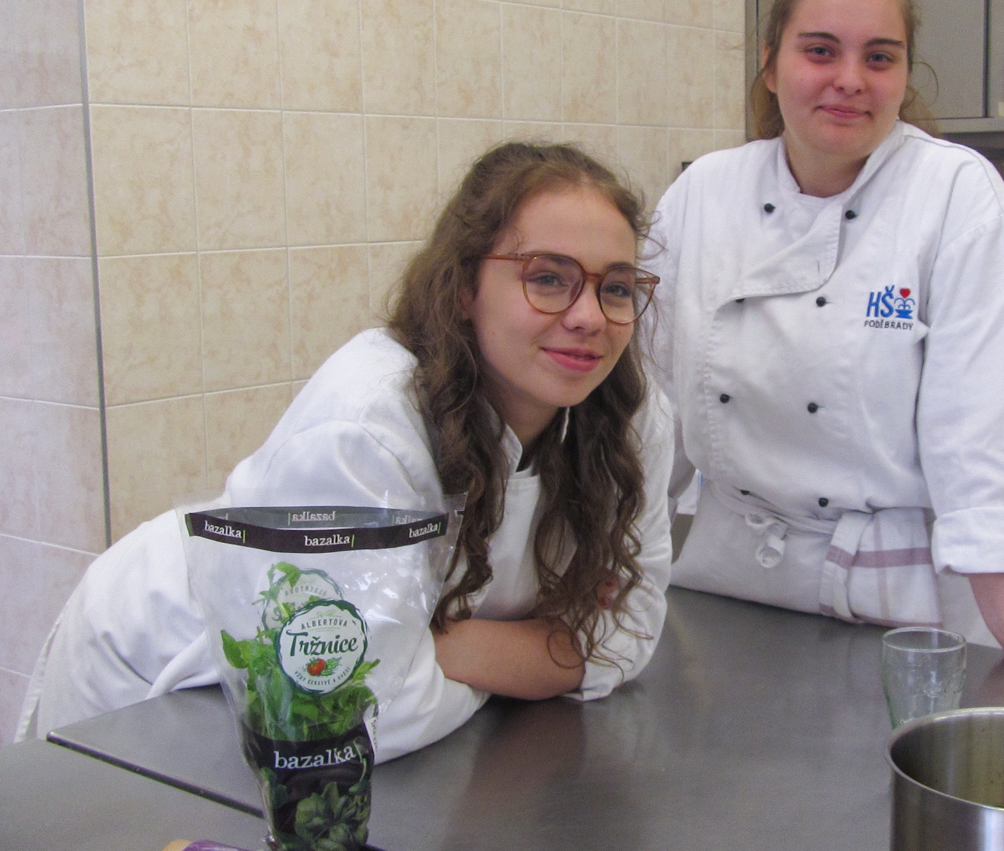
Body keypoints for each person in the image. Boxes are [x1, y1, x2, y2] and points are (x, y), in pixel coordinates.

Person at [18, 142, 675, 757]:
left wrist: (446, 648)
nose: (589, 316)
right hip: (157, 676)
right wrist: (544, 650)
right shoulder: (367, 425)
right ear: (465, 288)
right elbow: (351, 711)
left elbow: (635, 629)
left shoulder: (628, 417)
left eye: (616, 287)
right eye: (549, 278)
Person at [651, 0, 1004, 670]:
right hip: (726, 586)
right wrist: (604, 562)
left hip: (899, 607)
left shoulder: (957, 199)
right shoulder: (702, 194)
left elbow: (981, 433)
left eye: (879, 57)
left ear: (904, 75)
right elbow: (652, 406)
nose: (849, 80)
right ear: (771, 65)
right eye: (820, 51)